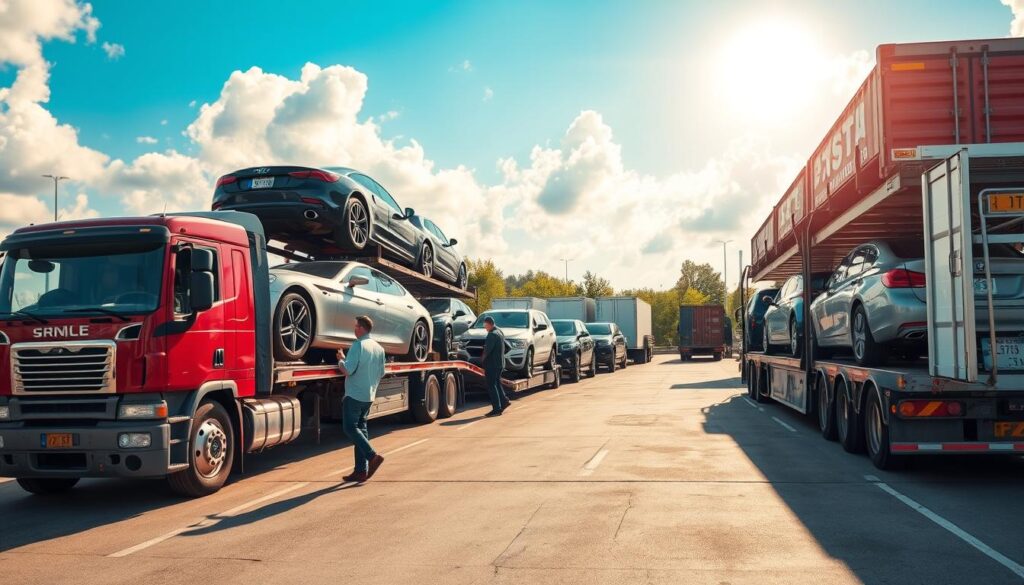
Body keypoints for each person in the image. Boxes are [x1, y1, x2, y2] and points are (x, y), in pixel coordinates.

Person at [336, 315, 387, 483]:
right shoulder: (379, 348)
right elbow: (382, 373)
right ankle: (360, 471)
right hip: (368, 395)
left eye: (356, 326)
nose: (354, 329)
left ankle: (372, 456)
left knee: (350, 428)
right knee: (361, 429)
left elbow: (348, 370)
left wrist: (341, 359)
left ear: (361, 328)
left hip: (354, 394)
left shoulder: (358, 345)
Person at [481, 315, 511, 416]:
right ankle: (504, 401)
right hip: (500, 363)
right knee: (497, 384)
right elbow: (508, 347)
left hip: (492, 365)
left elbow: (487, 351)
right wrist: (500, 353)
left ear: (489, 324)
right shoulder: (499, 332)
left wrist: (482, 361)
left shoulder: (492, 335)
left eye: (485, 325)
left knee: (491, 385)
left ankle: (497, 408)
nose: (485, 328)